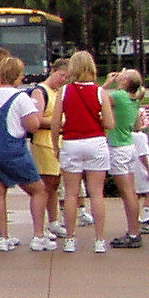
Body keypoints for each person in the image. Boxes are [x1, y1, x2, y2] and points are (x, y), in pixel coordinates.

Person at [0, 55, 50, 250]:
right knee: (38, 190)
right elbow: (33, 126)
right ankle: (38, 236)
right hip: (13, 149)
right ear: (19, 76)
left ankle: (2, 238)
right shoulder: (20, 98)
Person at [56, 51, 115, 253]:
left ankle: (70, 239)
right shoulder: (100, 92)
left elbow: (56, 124)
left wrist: (56, 146)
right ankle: (99, 240)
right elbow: (109, 123)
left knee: (71, 194)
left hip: (72, 142)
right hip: (95, 141)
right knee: (96, 193)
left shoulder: (64, 92)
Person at [27, 58, 67, 239]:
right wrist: (58, 123)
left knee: (54, 185)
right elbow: (37, 119)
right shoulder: (40, 91)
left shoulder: (59, 92)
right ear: (52, 71)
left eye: (66, 77)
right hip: (44, 143)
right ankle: (42, 225)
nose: (62, 80)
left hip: (58, 141)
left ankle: (53, 221)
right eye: (61, 75)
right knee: (46, 185)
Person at [104, 70, 144, 246]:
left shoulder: (119, 96)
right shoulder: (132, 99)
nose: (119, 73)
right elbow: (136, 126)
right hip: (128, 145)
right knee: (130, 193)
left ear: (126, 81)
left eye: (123, 73)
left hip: (118, 147)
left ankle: (134, 233)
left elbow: (98, 97)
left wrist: (107, 83)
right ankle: (133, 230)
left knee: (127, 193)